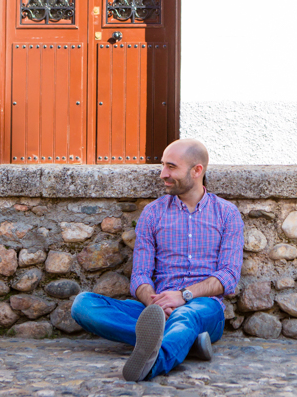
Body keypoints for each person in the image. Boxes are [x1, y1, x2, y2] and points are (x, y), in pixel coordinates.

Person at [71, 138, 244, 382]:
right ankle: (188, 343)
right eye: (163, 166)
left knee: (186, 316)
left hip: (204, 307)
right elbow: (140, 275)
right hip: (156, 306)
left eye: (171, 167)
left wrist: (183, 295)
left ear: (197, 171)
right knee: (84, 305)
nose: (163, 174)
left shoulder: (227, 214)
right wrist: (154, 303)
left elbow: (228, 276)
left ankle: (153, 363)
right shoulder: (153, 213)